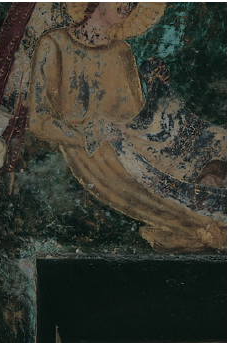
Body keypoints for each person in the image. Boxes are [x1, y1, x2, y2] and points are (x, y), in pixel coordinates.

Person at [27, 2, 226, 250]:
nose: (130, 4)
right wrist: (91, 133)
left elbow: (137, 121)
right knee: (183, 208)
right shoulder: (54, 44)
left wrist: (157, 91)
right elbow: (38, 121)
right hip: (92, 153)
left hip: (130, 146)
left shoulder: (122, 51)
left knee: (214, 143)